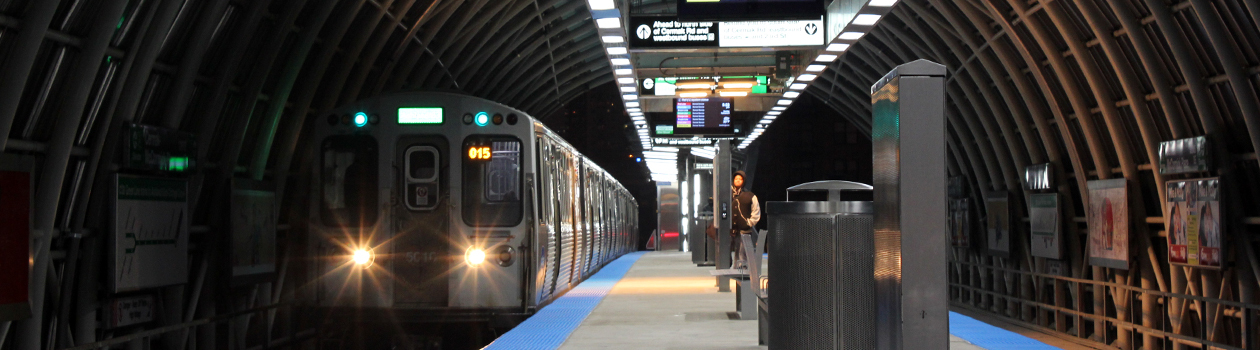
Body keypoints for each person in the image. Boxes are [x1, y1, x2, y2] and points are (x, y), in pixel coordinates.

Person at [731, 170, 760, 269]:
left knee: (743, 253)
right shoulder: (727, 195)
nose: (738, 180)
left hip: (745, 229)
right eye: (736, 178)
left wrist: (749, 223)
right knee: (731, 253)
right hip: (730, 231)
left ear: (744, 181)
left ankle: (743, 271)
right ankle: (735, 269)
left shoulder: (750, 196)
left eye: (740, 179)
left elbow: (756, 211)